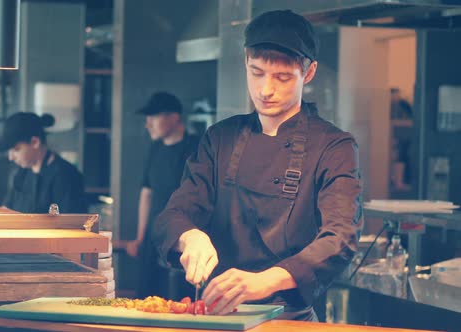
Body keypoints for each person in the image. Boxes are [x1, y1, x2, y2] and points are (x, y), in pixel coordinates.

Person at [152, 10, 363, 321]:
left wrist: (262, 281)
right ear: (245, 64)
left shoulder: (334, 146)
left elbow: (339, 239)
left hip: (289, 319)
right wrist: (189, 236)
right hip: (215, 316)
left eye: (282, 77)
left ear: (309, 72)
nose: (266, 90)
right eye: (257, 72)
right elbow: (174, 214)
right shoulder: (220, 138)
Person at [125, 92, 199, 299]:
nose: (148, 124)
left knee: (177, 298)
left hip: (180, 236)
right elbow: (146, 193)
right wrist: (140, 237)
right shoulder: (155, 147)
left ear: (174, 117)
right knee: (147, 294)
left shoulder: (195, 148)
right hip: (152, 233)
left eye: (153, 117)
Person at [0, 112, 87, 214]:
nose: (10, 157)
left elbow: (70, 224)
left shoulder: (66, 175)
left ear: (35, 142)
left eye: (16, 149)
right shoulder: (22, 173)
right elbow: (7, 209)